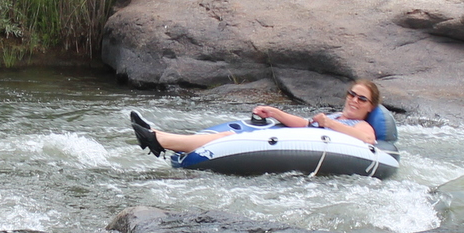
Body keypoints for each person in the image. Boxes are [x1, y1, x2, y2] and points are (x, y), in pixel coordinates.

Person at [131, 79, 382, 157]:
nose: (354, 100)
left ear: (370, 107)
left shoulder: (359, 124)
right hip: (293, 140)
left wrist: (332, 124)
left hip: (303, 147)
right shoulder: (334, 115)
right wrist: (275, 112)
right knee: (229, 135)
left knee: (230, 137)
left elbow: (367, 139)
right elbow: (305, 124)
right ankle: (159, 136)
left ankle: (158, 139)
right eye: (352, 94)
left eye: (362, 99)